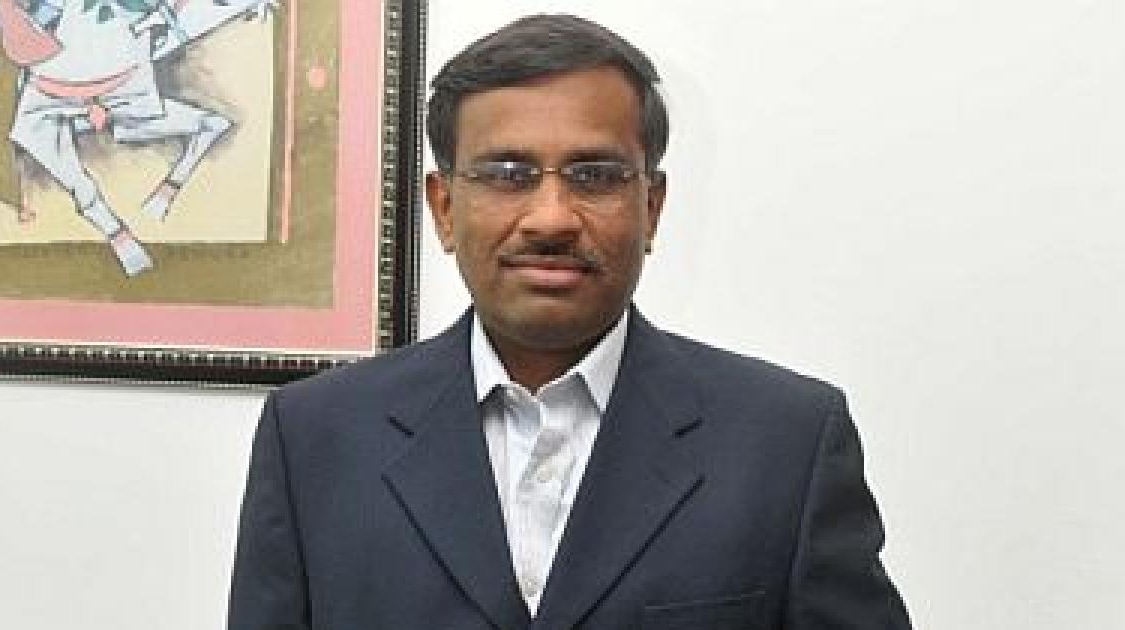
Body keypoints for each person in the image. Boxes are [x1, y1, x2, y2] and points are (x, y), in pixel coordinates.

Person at [228, 13, 912, 630]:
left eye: (594, 176)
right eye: (508, 173)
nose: (550, 218)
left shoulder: (786, 444)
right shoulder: (314, 438)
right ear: (443, 207)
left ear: (652, 207)